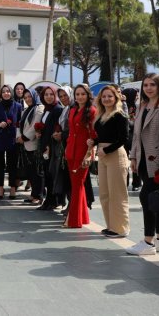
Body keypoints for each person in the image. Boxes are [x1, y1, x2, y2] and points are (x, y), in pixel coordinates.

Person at [125, 74, 159, 255]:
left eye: (153, 84)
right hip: (143, 159)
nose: (148, 88)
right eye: (145, 85)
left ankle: (148, 241)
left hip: (158, 161)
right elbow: (137, 135)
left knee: (147, 197)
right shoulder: (143, 106)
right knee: (156, 198)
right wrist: (133, 157)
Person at [89, 85, 130, 238]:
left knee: (117, 193)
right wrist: (93, 141)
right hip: (103, 155)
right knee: (105, 193)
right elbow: (101, 136)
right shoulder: (100, 116)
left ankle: (121, 228)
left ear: (116, 98)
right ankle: (111, 226)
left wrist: (105, 150)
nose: (106, 99)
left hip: (115, 155)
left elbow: (123, 139)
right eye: (104, 96)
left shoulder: (120, 115)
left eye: (110, 96)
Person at [64, 84, 96, 228]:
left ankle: (72, 220)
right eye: (77, 94)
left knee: (77, 185)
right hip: (71, 150)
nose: (80, 97)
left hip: (84, 152)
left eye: (83, 94)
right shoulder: (73, 110)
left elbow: (93, 135)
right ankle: (82, 218)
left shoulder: (92, 111)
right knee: (77, 185)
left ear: (88, 95)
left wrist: (89, 154)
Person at [0, 85, 22, 199]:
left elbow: (20, 122)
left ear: (11, 93)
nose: (6, 93)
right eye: (3, 92)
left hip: (13, 139)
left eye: (8, 91)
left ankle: (12, 188)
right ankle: (0, 187)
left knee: (12, 164)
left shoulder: (18, 106)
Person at [36, 86, 63, 210]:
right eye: (46, 94)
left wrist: (48, 146)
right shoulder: (47, 109)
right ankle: (50, 200)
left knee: (52, 174)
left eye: (51, 94)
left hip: (51, 146)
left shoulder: (57, 109)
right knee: (47, 173)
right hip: (45, 144)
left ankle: (53, 200)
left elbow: (56, 129)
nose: (49, 97)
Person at [17, 89, 44, 205]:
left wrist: (24, 137)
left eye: (29, 96)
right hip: (25, 144)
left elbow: (35, 126)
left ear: (35, 96)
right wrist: (19, 137)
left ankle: (39, 195)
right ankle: (34, 194)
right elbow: (19, 125)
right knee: (31, 172)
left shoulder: (39, 108)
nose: (28, 99)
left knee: (37, 172)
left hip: (33, 144)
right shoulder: (26, 110)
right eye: (25, 97)